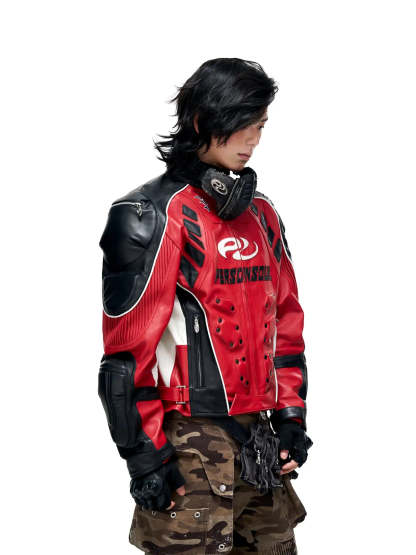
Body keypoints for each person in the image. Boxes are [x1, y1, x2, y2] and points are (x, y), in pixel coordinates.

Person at [98, 57, 312, 554]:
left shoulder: (262, 215)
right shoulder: (150, 214)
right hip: (185, 446)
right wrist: (144, 457)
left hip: (259, 446)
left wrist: (291, 418)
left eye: (261, 125)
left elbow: (285, 327)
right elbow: (125, 358)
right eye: (243, 124)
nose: (253, 139)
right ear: (201, 121)